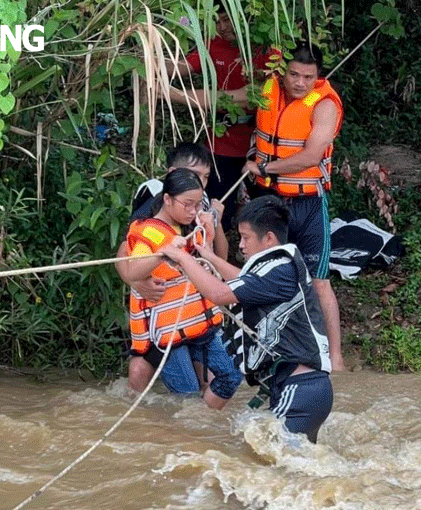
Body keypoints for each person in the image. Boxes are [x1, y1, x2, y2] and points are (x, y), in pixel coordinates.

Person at [161, 195, 333, 443]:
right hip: (306, 390)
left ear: (269, 239)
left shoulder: (280, 269)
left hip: (300, 389)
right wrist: (206, 255)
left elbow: (219, 293)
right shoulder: (279, 267)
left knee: (268, 463)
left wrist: (182, 258)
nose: (241, 245)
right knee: (290, 468)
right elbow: (243, 280)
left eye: (246, 238)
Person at [243, 41, 346, 372]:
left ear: (318, 77)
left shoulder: (324, 105)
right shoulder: (268, 90)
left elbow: (312, 156)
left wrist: (265, 167)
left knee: (319, 281)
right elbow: (227, 99)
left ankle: (337, 359)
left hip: (309, 205)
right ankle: (264, 353)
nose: (300, 83)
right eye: (294, 74)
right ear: (282, 72)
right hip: (270, 202)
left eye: (308, 76)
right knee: (261, 273)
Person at [115, 143, 230, 393]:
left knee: (211, 381)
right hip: (163, 310)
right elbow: (126, 252)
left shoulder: (201, 203)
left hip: (194, 310)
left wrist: (216, 221)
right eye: (193, 174)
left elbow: (220, 257)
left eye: (205, 177)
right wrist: (134, 281)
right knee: (146, 373)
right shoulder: (153, 199)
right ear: (172, 173)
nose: (198, 181)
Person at [166, 0, 270, 231]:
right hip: (220, 143)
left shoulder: (265, 49)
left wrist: (168, 94)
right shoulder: (212, 44)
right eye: (217, 21)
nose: (222, 27)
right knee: (217, 207)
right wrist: (144, 63)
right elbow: (180, 66)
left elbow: (243, 97)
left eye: (227, 20)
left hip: (259, 143)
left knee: (263, 209)